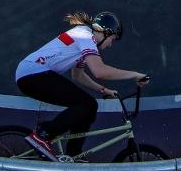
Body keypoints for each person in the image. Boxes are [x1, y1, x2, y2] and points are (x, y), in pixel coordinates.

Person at [15, 11, 149, 161]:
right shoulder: (85, 37)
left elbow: (78, 76)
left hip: (30, 75)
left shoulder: (84, 40)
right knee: (87, 104)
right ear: (104, 32)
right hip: (34, 74)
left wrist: (103, 90)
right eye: (112, 39)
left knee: (89, 107)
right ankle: (43, 135)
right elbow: (100, 72)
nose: (110, 44)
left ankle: (73, 155)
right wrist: (135, 75)